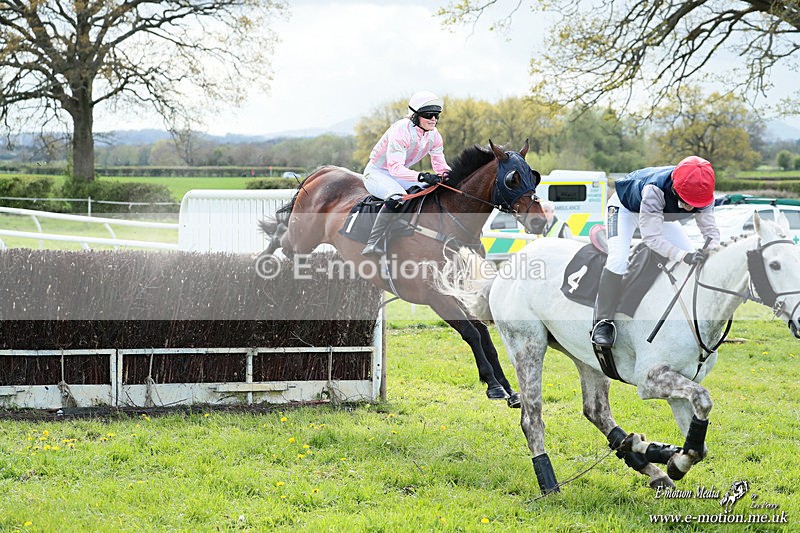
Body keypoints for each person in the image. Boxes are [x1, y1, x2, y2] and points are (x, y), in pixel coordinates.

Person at [591, 156, 721, 347]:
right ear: (676, 189)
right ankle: (602, 322)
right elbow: (651, 238)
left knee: (689, 252)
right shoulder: (655, 189)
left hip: (658, 214)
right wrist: (683, 256)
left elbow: (710, 232)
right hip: (624, 209)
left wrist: (711, 250)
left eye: (696, 203)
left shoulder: (704, 193)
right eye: (687, 202)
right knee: (618, 260)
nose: (691, 208)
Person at [361, 90, 451, 257]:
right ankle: (373, 242)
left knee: (428, 191)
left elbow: (440, 166)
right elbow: (395, 168)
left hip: (399, 174)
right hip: (377, 173)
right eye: (429, 114)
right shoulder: (401, 130)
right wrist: (422, 176)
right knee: (397, 196)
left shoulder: (434, 136)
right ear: (415, 116)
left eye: (437, 115)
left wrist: (453, 178)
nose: (434, 119)